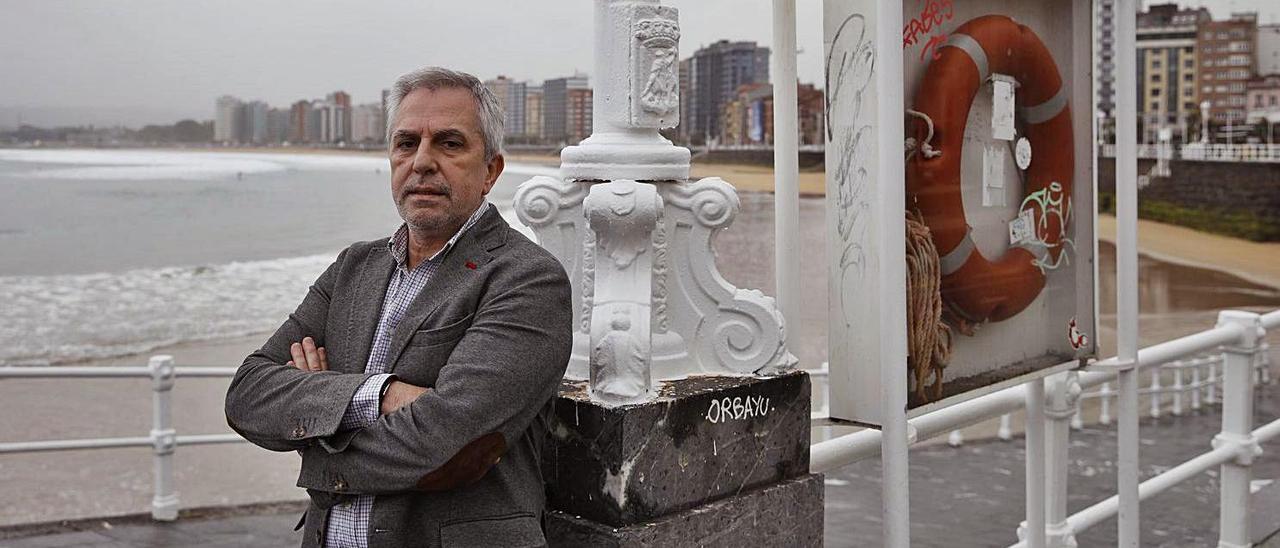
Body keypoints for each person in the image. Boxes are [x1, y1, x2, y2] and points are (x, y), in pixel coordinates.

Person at [224, 66, 572, 548]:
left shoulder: (525, 278)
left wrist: (315, 434)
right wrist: (380, 396)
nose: (422, 162)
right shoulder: (354, 268)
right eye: (406, 143)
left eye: (449, 144)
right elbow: (248, 394)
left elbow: (447, 442)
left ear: (491, 170)